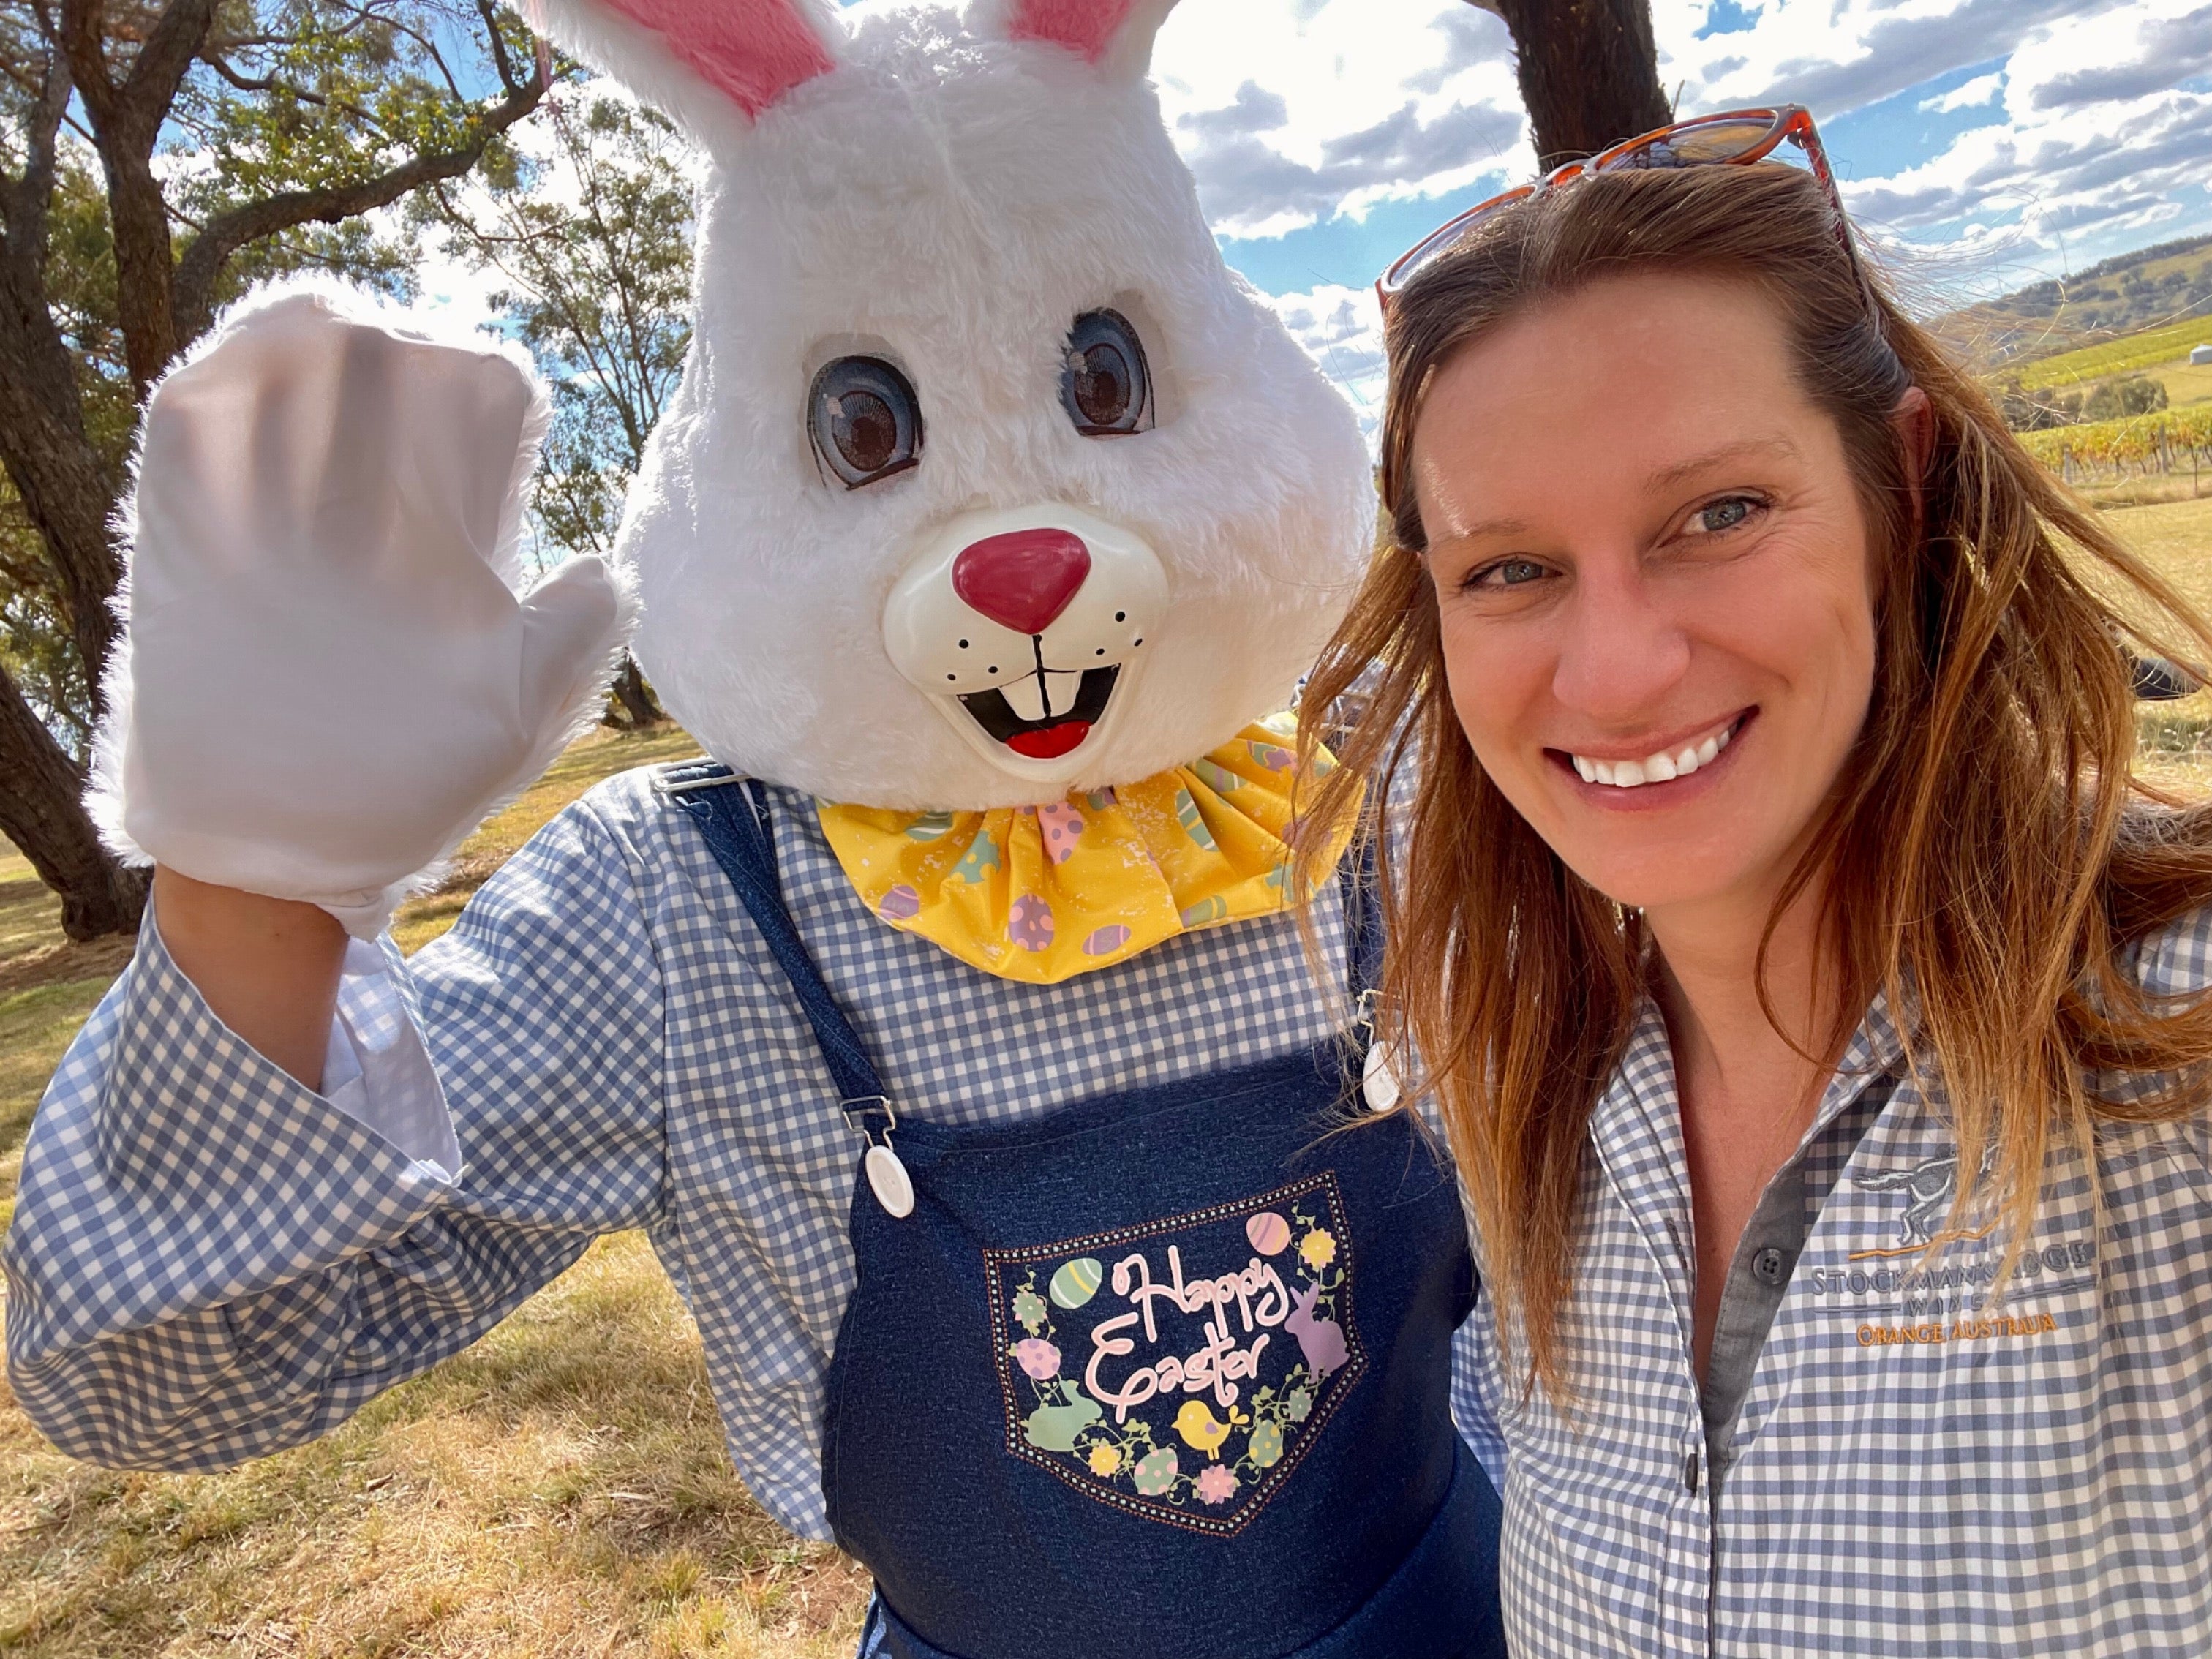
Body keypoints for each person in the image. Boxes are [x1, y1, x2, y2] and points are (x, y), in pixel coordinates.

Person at [1, 4, 1509, 1657]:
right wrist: (258, 886)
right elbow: (166, 1372)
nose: (1026, 559)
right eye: (869, 431)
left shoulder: (1395, 791)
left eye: (1103, 383)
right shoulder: (674, 904)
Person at [1295, 106, 2212, 1657]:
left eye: (1718, 514)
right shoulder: (1512, 1075)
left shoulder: (2172, 1047)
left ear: (1899, 487)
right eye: (1509, 569)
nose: (1618, 669)